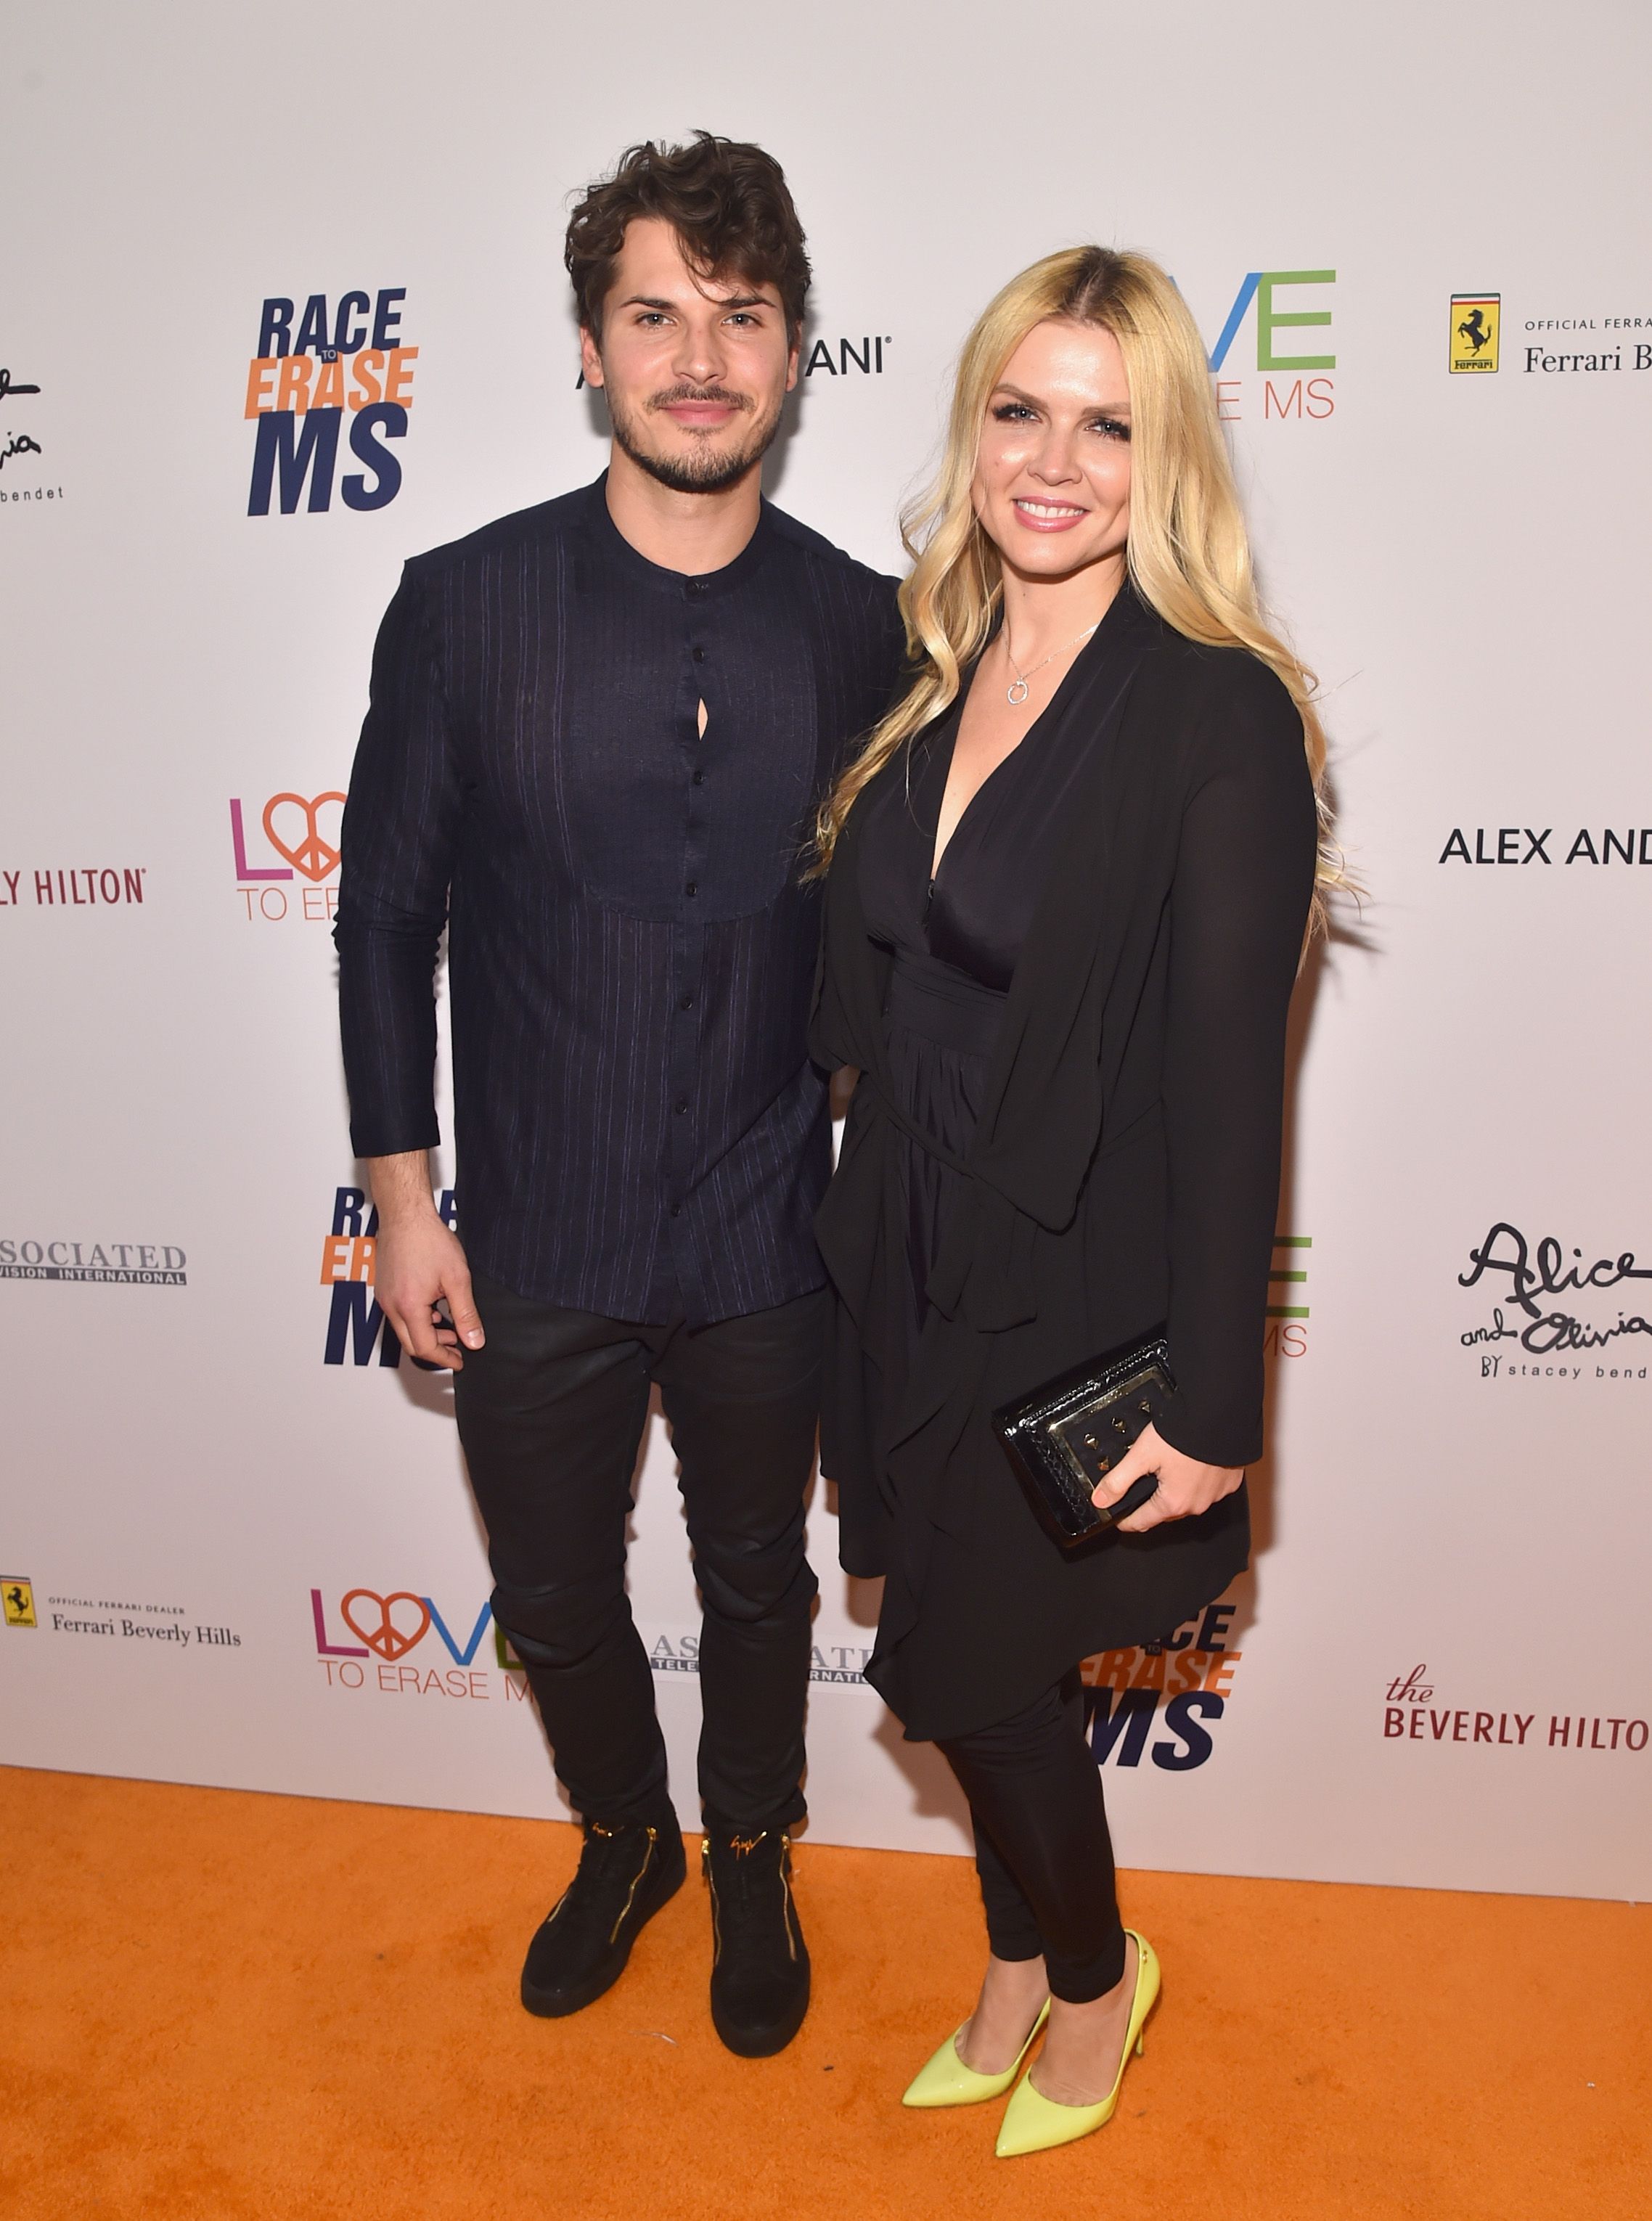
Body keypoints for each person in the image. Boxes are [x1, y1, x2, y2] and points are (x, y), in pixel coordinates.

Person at [333, 133, 903, 2058]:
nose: (698, 358)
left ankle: (749, 1844)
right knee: (557, 1589)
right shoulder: (464, 604)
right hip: (540, 1219)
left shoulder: (858, 623)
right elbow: (381, 911)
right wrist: (402, 1194)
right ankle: (625, 1836)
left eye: (740, 318)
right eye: (655, 313)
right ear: (591, 345)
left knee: (759, 1578)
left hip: (764, 1213)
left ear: (794, 352)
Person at [809, 246, 1328, 2154]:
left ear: (1164, 452)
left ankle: (1093, 1974)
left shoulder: (1215, 716)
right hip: (906, 1256)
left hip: (1072, 1287)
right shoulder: (928, 676)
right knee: (931, 1649)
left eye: (1108, 423)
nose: (1054, 460)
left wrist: (1213, 1403)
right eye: (1019, 411)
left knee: (974, 1662)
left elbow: (1226, 1089)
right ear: (971, 428)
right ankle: (1017, 1956)